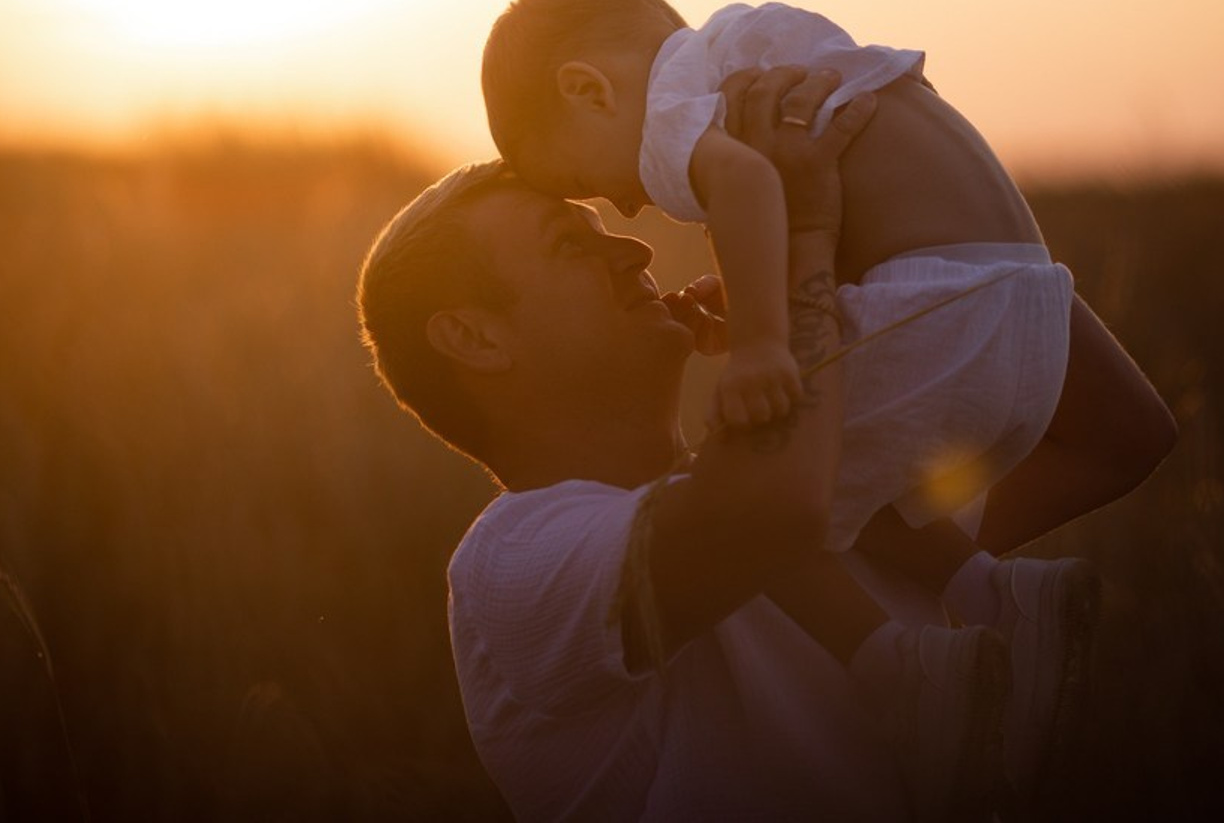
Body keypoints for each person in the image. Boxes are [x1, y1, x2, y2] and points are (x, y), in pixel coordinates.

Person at [357, 68, 1174, 821]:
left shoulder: (832, 492)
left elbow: (1116, 436)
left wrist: (924, 241)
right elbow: (775, 510)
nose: (635, 248)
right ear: (474, 337)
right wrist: (793, 246)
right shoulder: (515, 559)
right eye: (571, 244)